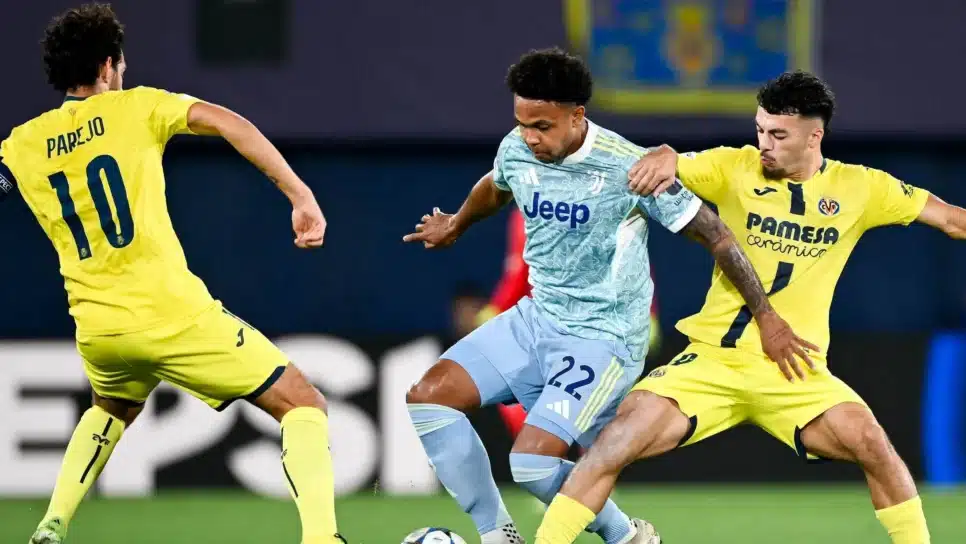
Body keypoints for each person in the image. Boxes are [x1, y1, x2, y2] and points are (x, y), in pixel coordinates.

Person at [535, 71, 966, 544]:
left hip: (796, 370)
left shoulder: (862, 188)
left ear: (814, 136)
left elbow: (951, 219)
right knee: (614, 443)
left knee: (872, 443)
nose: (764, 144)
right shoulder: (733, 166)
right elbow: (671, 161)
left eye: (778, 135)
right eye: (760, 129)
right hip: (713, 361)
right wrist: (663, 154)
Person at [402, 48, 813, 544]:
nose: (529, 137)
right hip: (536, 319)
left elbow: (718, 236)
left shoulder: (629, 168)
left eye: (542, 126)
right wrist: (457, 223)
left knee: (531, 465)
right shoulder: (518, 147)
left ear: (578, 116)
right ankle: (498, 536)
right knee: (428, 398)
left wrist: (765, 315)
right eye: (522, 123)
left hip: (603, 339)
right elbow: (498, 183)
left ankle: (627, 536)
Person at [0, 5, 343, 543]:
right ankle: (322, 540)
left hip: (98, 330)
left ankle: (52, 524)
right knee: (303, 403)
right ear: (107, 66)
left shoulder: (21, 144)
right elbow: (230, 123)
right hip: (169, 315)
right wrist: (300, 194)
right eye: (121, 64)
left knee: (112, 407)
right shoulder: (138, 107)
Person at [478, 209, 663, 441]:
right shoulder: (527, 210)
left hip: (599, 328)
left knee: (593, 421)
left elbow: (632, 264)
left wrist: (647, 314)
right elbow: (519, 270)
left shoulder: (614, 205)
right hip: (554, 329)